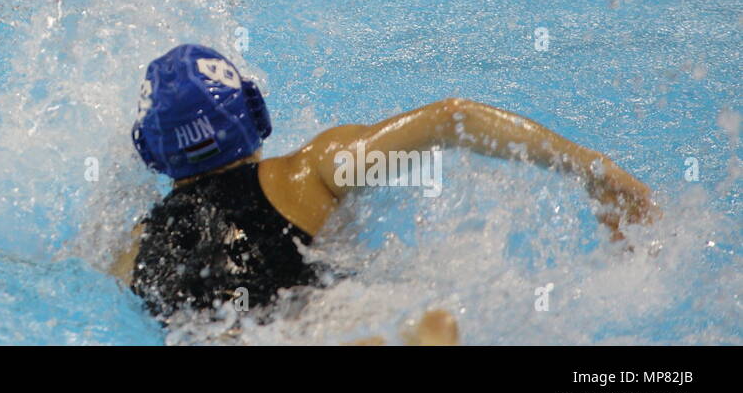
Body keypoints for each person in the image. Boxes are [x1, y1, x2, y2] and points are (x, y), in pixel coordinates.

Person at [113, 44, 659, 323]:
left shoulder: (135, 247)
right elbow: (454, 118)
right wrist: (596, 172)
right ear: (252, 113)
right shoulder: (308, 173)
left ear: (153, 151)